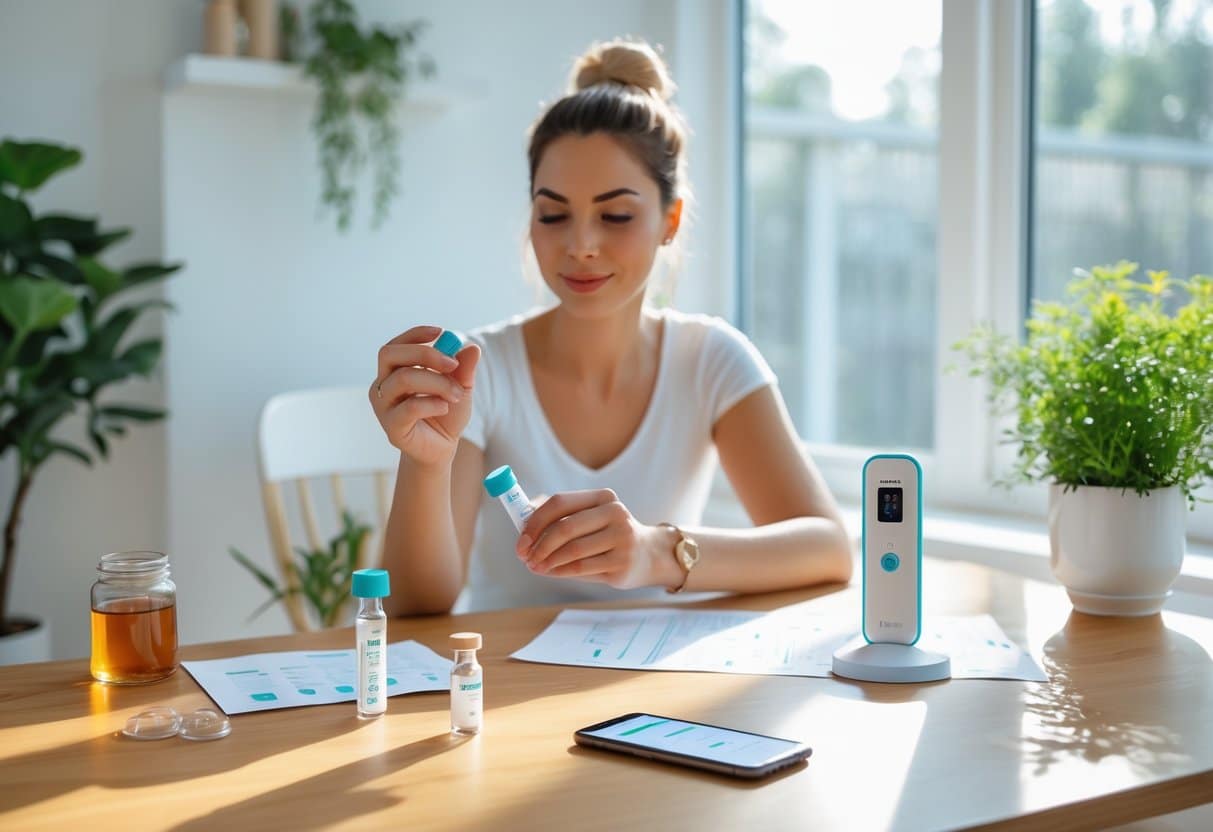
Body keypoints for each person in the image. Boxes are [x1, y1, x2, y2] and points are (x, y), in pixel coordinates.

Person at [371, 39, 851, 616]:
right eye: (553, 215)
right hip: (507, 689)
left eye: (616, 215)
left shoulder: (711, 360)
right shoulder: (483, 371)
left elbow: (828, 550)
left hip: (658, 689)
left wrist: (655, 552)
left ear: (669, 219)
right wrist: (427, 463)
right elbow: (415, 608)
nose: (580, 246)